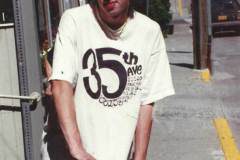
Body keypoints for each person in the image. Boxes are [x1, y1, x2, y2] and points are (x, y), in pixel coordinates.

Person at [48, 0, 175, 159]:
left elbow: (147, 101)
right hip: (70, 152)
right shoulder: (75, 20)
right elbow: (61, 84)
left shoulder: (149, 31)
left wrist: (140, 156)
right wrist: (77, 149)